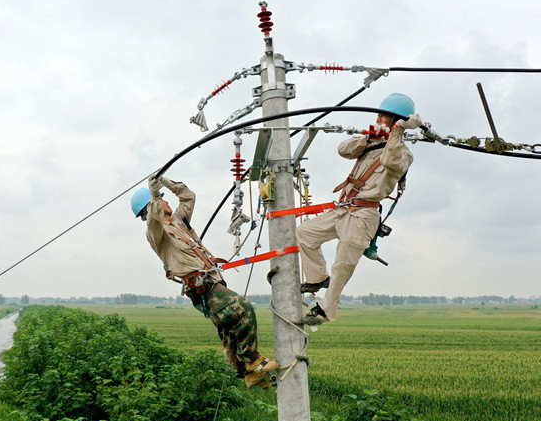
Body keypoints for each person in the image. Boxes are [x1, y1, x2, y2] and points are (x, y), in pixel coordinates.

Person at [131, 175, 279, 389]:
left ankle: (249, 373)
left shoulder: (178, 221)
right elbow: (154, 219)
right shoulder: (156, 233)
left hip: (211, 280)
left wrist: (168, 183)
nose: (167, 201)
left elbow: (188, 197)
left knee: (229, 330)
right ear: (153, 206)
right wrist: (154, 194)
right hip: (201, 288)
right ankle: (252, 360)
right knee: (242, 309)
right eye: (163, 199)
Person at [295, 93, 422, 325]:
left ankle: (325, 310)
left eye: (384, 116)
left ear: (396, 121)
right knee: (305, 233)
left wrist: (397, 133)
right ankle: (317, 277)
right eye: (379, 115)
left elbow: (390, 162)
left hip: (364, 214)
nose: (379, 119)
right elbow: (343, 150)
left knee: (342, 264)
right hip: (345, 208)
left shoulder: (403, 153)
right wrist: (367, 138)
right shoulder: (371, 143)